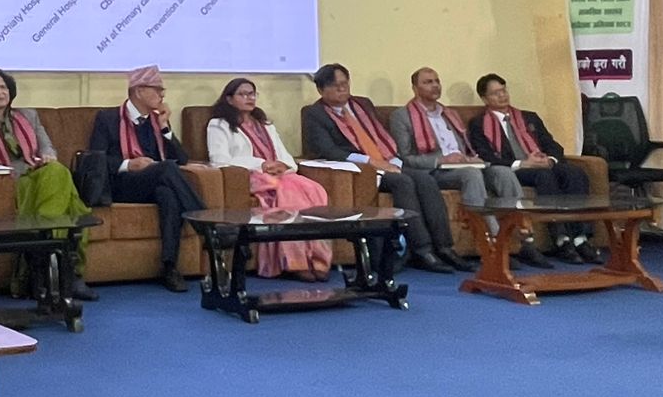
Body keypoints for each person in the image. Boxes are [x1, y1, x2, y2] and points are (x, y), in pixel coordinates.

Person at [300, 63, 467, 274]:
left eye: (345, 83)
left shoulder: (362, 104)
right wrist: (370, 161)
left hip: (386, 161)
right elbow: (328, 150)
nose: (342, 89)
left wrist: (393, 161)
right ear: (321, 90)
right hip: (359, 170)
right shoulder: (315, 114)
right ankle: (422, 250)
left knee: (425, 179)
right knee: (403, 182)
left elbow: (381, 137)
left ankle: (444, 247)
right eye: (335, 86)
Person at [0, 66, 96, 300]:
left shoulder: (29, 116)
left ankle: (41, 267)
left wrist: (48, 156)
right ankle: (70, 275)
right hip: (15, 183)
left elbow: (47, 147)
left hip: (40, 175)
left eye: (3, 87)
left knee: (56, 171)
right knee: (73, 205)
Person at [389, 67, 545, 269]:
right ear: (415, 88)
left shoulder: (449, 113)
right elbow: (405, 158)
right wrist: (442, 159)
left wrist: (471, 158)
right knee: (471, 175)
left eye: (437, 81)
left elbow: (467, 147)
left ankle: (525, 240)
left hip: (466, 163)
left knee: (503, 172)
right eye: (428, 82)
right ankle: (493, 244)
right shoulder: (401, 116)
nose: (435, 85)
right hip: (437, 171)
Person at [88, 64, 205, 292]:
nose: (162, 95)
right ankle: (206, 224)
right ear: (139, 91)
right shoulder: (108, 118)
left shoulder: (156, 120)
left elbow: (182, 159)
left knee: (168, 194)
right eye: (158, 89)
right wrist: (128, 164)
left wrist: (165, 128)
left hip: (154, 182)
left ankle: (169, 267)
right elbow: (96, 159)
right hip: (122, 184)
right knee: (167, 169)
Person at [206, 77, 332, 281]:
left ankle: (316, 259)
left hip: (278, 174)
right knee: (287, 194)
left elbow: (284, 155)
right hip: (247, 176)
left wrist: (284, 165)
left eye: (252, 94)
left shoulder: (264, 124)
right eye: (243, 94)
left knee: (314, 190)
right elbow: (219, 160)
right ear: (229, 99)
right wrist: (261, 164)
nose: (249, 98)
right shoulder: (219, 124)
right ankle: (295, 262)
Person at [467, 73, 599, 264]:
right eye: (495, 93)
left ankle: (580, 238)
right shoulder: (478, 123)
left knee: (575, 173)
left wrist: (550, 160)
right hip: (515, 168)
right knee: (544, 177)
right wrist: (523, 163)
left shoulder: (529, 117)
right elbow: (485, 155)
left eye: (503, 90)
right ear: (485, 99)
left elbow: (552, 145)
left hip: (541, 164)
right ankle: (561, 239)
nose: (502, 95)